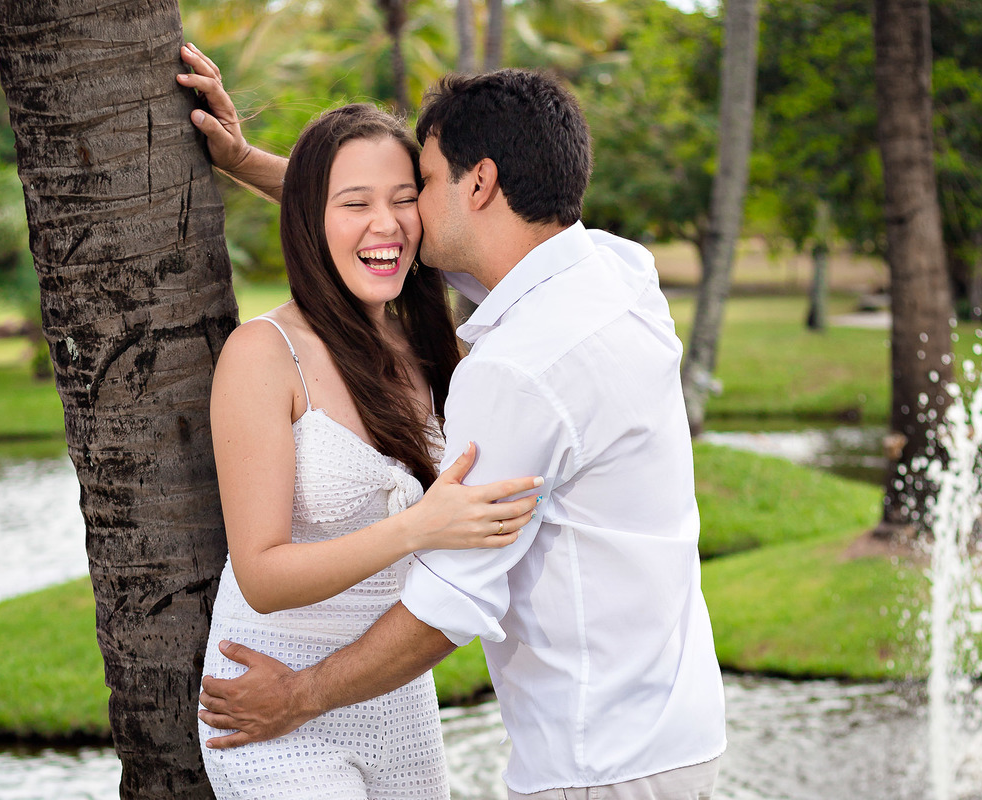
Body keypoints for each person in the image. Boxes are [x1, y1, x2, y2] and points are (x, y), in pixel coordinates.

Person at [180, 44, 727, 800]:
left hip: (584, 752)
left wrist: (301, 695)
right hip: (667, 725)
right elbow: (376, 231)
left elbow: (451, 605)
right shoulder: (616, 269)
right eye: (364, 200)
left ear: (481, 183)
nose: (399, 219)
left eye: (417, 188)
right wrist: (247, 161)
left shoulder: (506, 366)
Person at [196, 96, 544, 800]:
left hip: (397, 701)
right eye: (353, 203)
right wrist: (418, 527)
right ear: (311, 218)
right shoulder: (264, 354)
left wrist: (245, 160)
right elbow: (262, 577)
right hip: (269, 705)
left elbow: (376, 219)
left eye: (405, 199)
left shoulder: (425, 332)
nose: (385, 223)